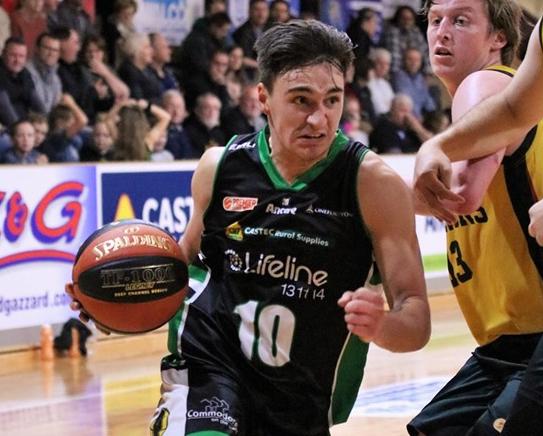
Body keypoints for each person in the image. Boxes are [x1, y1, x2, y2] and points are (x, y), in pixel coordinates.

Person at [69, 20, 431, 435]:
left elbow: (416, 319)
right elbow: (175, 272)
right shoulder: (218, 167)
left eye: (333, 100)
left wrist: (382, 326)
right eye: (301, 100)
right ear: (264, 98)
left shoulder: (375, 185)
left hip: (301, 400)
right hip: (210, 369)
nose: (320, 118)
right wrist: (104, 306)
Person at [408, 0, 543, 435]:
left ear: (498, 39)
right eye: (434, 21)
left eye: (461, 21)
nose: (441, 32)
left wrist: (357, 191)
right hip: (513, 337)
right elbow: (511, 112)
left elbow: (461, 195)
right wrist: (439, 146)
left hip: (536, 329)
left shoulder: (481, 84)